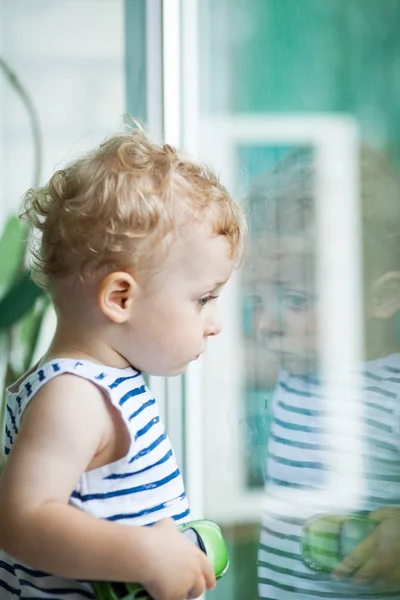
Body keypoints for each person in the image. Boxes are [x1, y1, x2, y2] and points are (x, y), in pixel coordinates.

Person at [0, 123, 246, 600]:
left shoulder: (106, 384)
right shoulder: (73, 398)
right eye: (203, 299)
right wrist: (146, 555)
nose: (214, 323)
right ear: (119, 297)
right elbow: (18, 519)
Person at [243, 145, 400, 599]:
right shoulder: (299, 364)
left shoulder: (392, 395)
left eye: (295, 300)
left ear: (383, 298)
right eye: (257, 300)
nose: (266, 324)